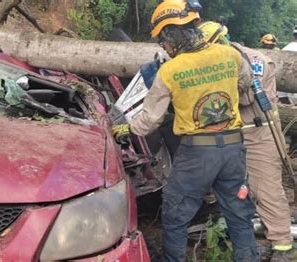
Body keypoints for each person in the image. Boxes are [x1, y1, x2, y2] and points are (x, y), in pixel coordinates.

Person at [111, 0, 259, 261]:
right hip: (234, 149)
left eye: (163, 41)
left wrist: (123, 128)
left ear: (171, 35)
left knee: (175, 213)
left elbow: (150, 121)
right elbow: (246, 82)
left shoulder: (169, 71)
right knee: (239, 213)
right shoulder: (230, 55)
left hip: (197, 154)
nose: (164, 47)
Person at [199, 21, 294, 262]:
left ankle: (282, 244)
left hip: (259, 133)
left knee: (266, 188)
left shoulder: (254, 61)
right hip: (229, 133)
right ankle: (246, 241)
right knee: (234, 189)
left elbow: (247, 97)